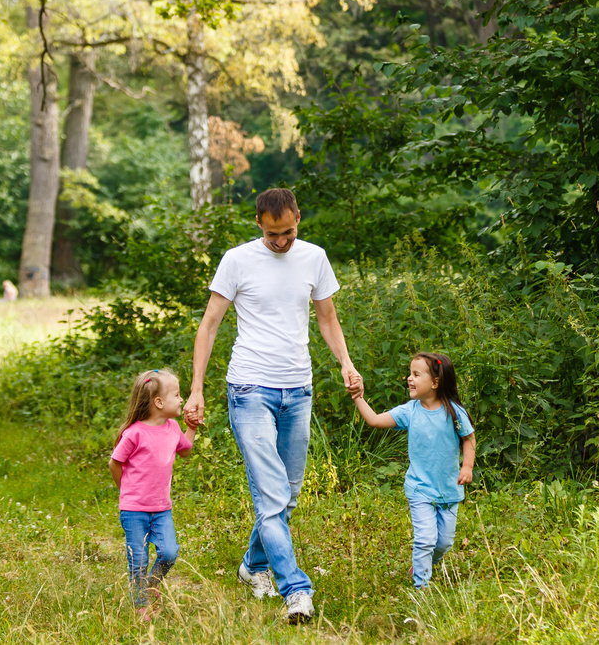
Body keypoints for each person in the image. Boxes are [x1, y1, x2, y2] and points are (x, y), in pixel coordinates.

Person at [183, 188, 362, 623]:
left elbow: (327, 317)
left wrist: (346, 364)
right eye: (272, 233)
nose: (282, 241)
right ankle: (296, 590)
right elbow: (208, 326)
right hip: (249, 389)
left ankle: (253, 566)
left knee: (288, 496)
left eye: (289, 232)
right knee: (271, 495)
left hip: (298, 389)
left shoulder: (314, 257)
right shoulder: (237, 260)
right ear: (258, 222)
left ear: (298, 217)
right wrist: (196, 389)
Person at [352, 352, 476, 589]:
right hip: (420, 489)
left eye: (416, 374)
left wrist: (467, 466)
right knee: (425, 540)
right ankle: (421, 586)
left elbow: (469, 438)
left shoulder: (454, 412)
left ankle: (425, 564)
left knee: (444, 543)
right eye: (410, 373)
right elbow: (375, 420)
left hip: (449, 489)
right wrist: (358, 397)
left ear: (435, 382)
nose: (409, 378)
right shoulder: (410, 411)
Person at [109, 369, 197, 620]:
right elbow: (114, 463)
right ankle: (141, 605)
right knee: (138, 559)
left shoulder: (172, 427)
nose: (182, 400)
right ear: (159, 403)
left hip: (161, 508)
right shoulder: (134, 433)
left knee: (169, 553)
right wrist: (125, 491)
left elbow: (185, 451)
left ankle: (152, 583)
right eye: (177, 395)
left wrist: (191, 427)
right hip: (134, 510)